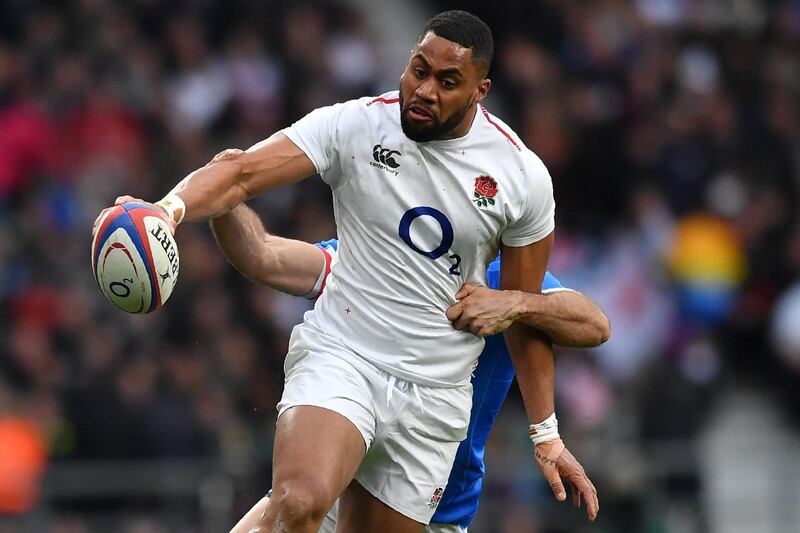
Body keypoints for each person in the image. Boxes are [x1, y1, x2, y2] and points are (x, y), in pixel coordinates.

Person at [96, 10, 569, 532]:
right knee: (301, 500)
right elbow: (242, 174)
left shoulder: (520, 177)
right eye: (418, 70)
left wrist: (545, 433)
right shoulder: (356, 125)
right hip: (346, 355)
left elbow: (532, 316)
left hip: (434, 397)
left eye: (447, 81)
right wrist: (166, 210)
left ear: (480, 90)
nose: (424, 90)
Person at [211, 204, 608, 532]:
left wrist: (516, 304)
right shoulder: (376, 260)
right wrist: (224, 197)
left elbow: (594, 325)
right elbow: (265, 254)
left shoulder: (493, 276)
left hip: (431, 509)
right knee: (293, 502)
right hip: (344, 480)